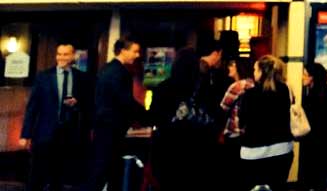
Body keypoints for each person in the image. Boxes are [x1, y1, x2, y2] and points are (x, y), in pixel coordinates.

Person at [20, 42, 91, 191]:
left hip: (67, 134)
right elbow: (32, 107)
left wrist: (77, 102)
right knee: (36, 176)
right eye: (59, 54)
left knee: (58, 176)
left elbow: (89, 103)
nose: (61, 57)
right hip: (44, 134)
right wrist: (25, 135)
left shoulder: (81, 77)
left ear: (73, 56)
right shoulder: (43, 77)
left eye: (65, 54)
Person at [150, 48, 219, 191]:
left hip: (169, 151)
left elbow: (155, 118)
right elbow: (215, 118)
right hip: (198, 152)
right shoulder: (205, 88)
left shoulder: (163, 88)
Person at [89, 36, 144, 191]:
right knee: (104, 171)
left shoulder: (107, 69)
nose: (137, 55)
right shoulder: (119, 72)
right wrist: (147, 115)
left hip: (104, 127)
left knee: (103, 170)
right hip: (111, 129)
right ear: (123, 51)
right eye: (135, 51)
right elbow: (125, 100)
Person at [238, 55, 294, 191]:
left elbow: (242, 122)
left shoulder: (249, 94)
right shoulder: (285, 90)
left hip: (253, 153)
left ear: (261, 72)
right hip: (282, 150)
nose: (253, 73)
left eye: (255, 70)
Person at [299, 63, 327, 191]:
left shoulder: (314, 97)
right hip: (322, 142)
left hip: (314, 143)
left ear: (312, 77)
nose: (302, 77)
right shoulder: (325, 93)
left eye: (305, 74)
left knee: (312, 176)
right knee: (319, 178)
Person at [221, 58, 255, 190]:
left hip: (234, 133)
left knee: (232, 173)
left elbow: (223, 107)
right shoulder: (254, 84)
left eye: (232, 65)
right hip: (249, 134)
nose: (229, 67)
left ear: (239, 67)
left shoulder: (237, 86)